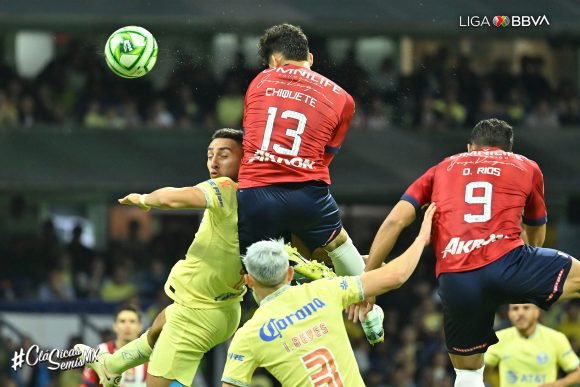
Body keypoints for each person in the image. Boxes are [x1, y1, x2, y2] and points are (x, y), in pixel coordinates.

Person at [365, 118, 580, 387]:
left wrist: (368, 282)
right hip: (509, 263)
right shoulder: (525, 166)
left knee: (468, 373)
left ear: (469, 148)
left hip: (456, 280)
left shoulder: (442, 168)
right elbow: (536, 234)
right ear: (508, 150)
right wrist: (526, 274)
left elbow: (395, 222)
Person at [237, 23, 383, 343]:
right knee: (337, 242)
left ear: (273, 61)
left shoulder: (259, 82)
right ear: (311, 58)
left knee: (257, 270)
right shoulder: (342, 98)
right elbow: (327, 153)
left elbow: (252, 138)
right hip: (307, 191)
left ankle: (284, 332)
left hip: (255, 193)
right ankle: (370, 309)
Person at [78, 129, 247, 387]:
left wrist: (143, 199)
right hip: (226, 308)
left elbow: (172, 199)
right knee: (160, 324)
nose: (213, 162)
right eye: (210, 155)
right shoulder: (261, 196)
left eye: (223, 155)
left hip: (198, 313)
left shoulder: (225, 188)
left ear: (245, 158)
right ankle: (113, 364)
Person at [221, 203, 436, 387]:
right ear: (289, 273)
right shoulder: (326, 290)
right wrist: (421, 239)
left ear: (248, 280)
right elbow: (395, 276)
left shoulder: (247, 336)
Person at [485, 303, 580, 387]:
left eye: (526, 308)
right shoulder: (499, 338)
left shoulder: (555, 338)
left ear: (536, 312)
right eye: (515, 309)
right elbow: (480, 371)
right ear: (509, 313)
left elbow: (578, 372)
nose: (520, 313)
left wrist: (558, 384)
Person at [81, 305, 147, 387]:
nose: (127, 326)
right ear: (114, 327)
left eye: (132, 321)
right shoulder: (99, 351)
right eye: (122, 321)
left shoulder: (151, 355)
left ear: (140, 327)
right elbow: (87, 384)